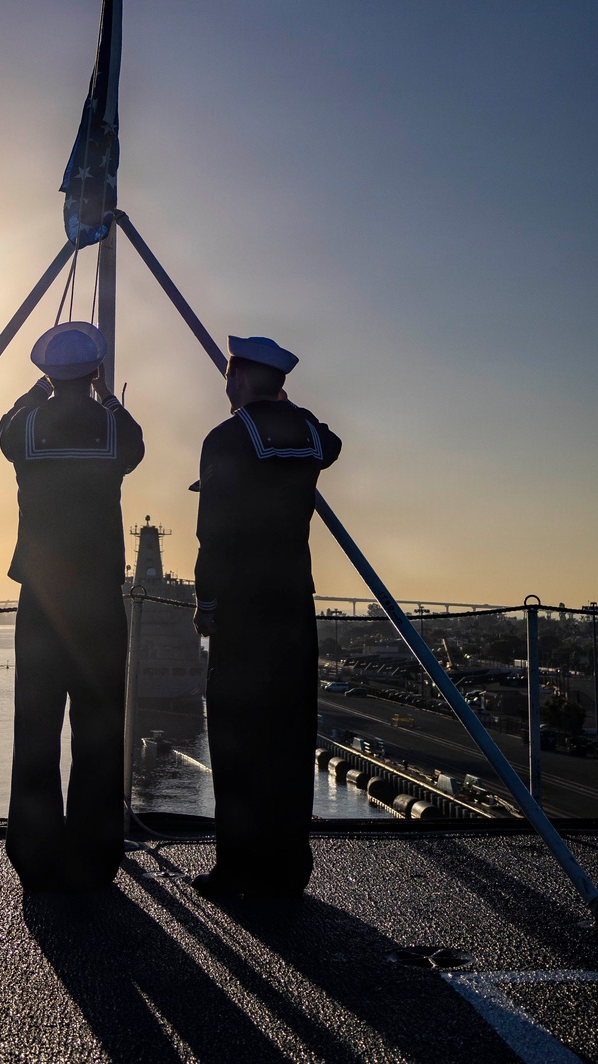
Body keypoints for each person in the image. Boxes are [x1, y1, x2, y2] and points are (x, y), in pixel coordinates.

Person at [191, 334, 341, 900]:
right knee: (290, 734)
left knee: (237, 737)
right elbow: (332, 443)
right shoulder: (307, 434)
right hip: (294, 602)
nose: (225, 384)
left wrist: (207, 603)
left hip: (242, 606)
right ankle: (288, 866)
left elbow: (213, 531)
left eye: (231, 375)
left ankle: (239, 870)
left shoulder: (225, 438)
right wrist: (289, 407)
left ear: (247, 379)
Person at [0, 321, 144, 891]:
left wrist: (37, 392)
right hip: (99, 598)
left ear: (46, 374)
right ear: (96, 371)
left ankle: (34, 853)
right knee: (99, 728)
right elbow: (134, 444)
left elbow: (6, 430)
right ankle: (93, 854)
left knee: (35, 725)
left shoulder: (28, 427)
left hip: (40, 596)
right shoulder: (112, 427)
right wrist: (106, 396)